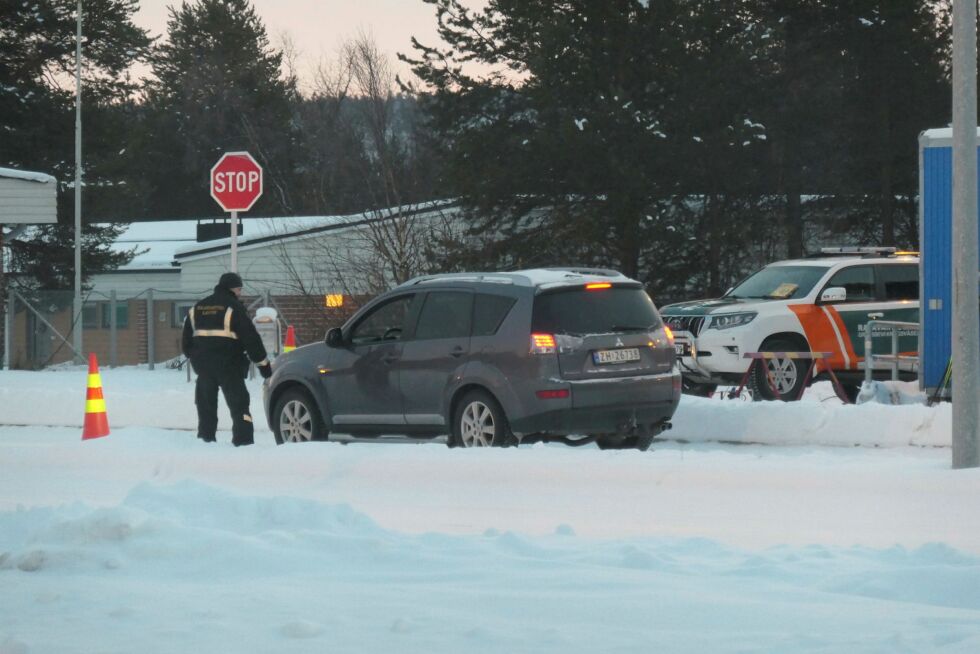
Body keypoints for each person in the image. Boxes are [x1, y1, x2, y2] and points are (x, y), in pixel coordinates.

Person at [181, 272, 272, 446]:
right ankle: (243, 443)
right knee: (239, 408)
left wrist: (195, 358)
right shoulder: (233, 308)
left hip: (204, 369)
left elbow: (186, 342)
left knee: (206, 410)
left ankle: (205, 443)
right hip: (230, 367)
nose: (240, 293)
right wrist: (264, 366)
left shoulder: (197, 308)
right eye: (239, 289)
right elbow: (251, 339)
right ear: (233, 289)